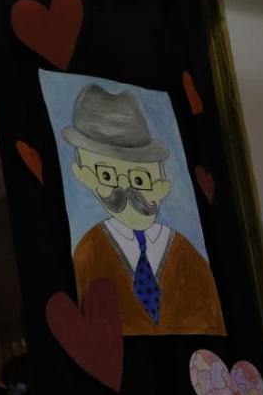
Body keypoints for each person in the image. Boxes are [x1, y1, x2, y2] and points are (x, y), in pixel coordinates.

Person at [62, 83, 226, 336]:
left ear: (161, 183)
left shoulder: (188, 258)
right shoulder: (87, 255)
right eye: (107, 176)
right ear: (85, 176)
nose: (126, 191)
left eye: (140, 179)